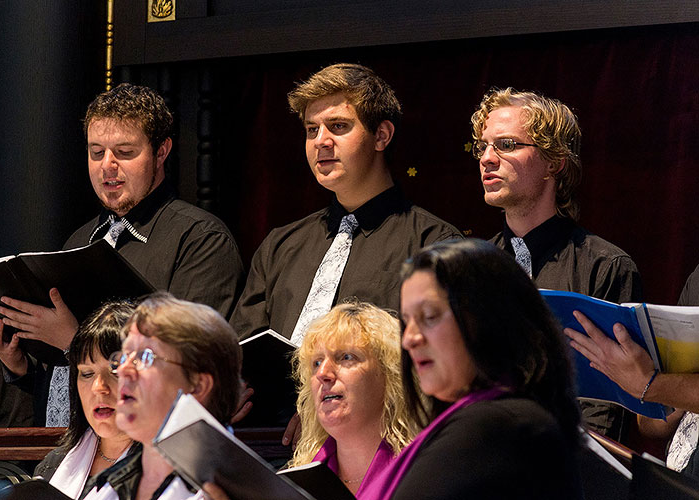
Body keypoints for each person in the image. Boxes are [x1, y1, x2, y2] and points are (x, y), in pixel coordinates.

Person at [203, 239, 582, 500]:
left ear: (485, 320)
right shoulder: (482, 419)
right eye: (408, 321)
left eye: (429, 317)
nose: (411, 338)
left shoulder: (500, 422)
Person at [0, 83, 245, 425]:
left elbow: (188, 366)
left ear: (162, 152)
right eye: (96, 152)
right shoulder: (79, 239)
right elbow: (57, 379)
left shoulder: (199, 239)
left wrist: (75, 341)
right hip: (61, 443)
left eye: (125, 152)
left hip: (139, 444)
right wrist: (18, 363)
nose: (107, 166)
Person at [230, 63, 462, 344]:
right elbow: (238, 355)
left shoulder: (434, 244)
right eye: (311, 129)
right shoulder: (279, 246)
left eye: (338, 126)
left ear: (381, 136)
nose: (321, 141)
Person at [471, 87, 643, 440]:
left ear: (554, 161)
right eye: (482, 146)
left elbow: (609, 405)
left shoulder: (605, 266)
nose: (487, 157)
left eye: (506, 144)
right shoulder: (471, 268)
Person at [84, 292, 241, 500]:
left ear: (197, 385)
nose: (123, 370)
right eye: (123, 356)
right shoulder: (105, 486)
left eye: (144, 356)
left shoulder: (241, 490)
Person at [564, 263, 699, 478]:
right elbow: (649, 425)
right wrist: (651, 387)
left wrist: (649, 385)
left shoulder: (609, 264)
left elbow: (648, 387)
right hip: (679, 474)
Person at [289, 301, 417, 496]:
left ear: (391, 375)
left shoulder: (423, 473)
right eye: (316, 362)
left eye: (346, 357)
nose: (323, 373)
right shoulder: (295, 485)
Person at [33, 300, 135, 499]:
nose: (99, 387)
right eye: (87, 374)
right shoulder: (54, 465)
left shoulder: (180, 474)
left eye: (115, 372)